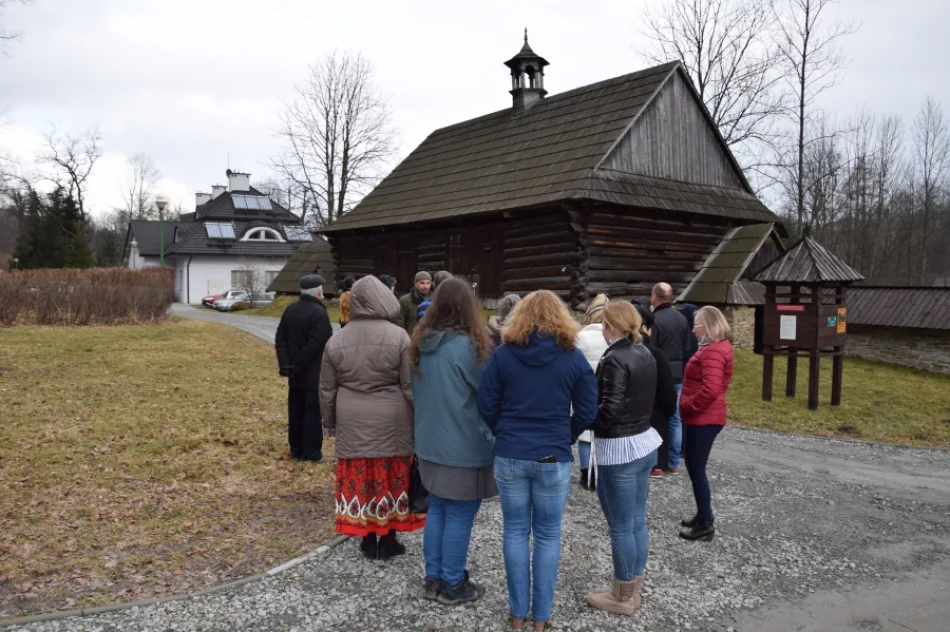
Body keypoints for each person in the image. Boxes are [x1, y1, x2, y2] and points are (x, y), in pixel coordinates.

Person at [477, 290, 598, 631]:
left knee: (515, 531)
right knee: (547, 534)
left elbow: (486, 402)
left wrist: (504, 432)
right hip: (551, 455)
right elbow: (588, 409)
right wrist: (567, 435)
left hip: (511, 453)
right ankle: (541, 617)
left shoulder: (504, 356)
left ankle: (518, 615)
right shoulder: (572, 357)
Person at [319, 275, 425, 559]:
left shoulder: (336, 340)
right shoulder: (399, 336)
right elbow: (408, 386)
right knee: (391, 476)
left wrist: (329, 423)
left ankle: (366, 537)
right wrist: (422, 418)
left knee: (361, 476)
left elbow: (327, 389)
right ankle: (389, 538)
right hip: (393, 420)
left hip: (352, 420)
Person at [410, 278, 496, 605]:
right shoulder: (469, 348)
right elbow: (490, 395)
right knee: (459, 514)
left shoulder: (420, 343)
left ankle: (434, 578)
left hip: (430, 443)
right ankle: (453, 582)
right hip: (463, 445)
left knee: (439, 511)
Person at [585, 301, 659, 615]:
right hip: (644, 442)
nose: (601, 329)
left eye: (603, 324)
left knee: (620, 527)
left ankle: (622, 594)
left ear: (612, 327)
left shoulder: (615, 359)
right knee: (635, 520)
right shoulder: (644, 352)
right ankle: (634, 582)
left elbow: (609, 411)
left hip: (619, 450)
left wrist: (585, 421)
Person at [679, 306, 734, 542]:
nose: (693, 330)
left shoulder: (712, 351)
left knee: (697, 468)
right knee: (694, 466)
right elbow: (718, 385)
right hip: (704, 416)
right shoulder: (715, 347)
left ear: (708, 326)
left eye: (697, 325)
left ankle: (706, 523)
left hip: (704, 418)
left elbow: (711, 389)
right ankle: (703, 515)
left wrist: (688, 405)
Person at [275, 274, 333, 462]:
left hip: (295, 374)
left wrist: (286, 366)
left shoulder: (290, 309)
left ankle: (297, 449)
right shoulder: (319, 314)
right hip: (313, 374)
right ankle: (312, 453)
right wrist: (298, 366)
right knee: (312, 414)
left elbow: (280, 339)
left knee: (296, 411)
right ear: (318, 291)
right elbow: (315, 346)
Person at [650, 282, 691, 473]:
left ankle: (657, 463)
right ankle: (673, 462)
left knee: (656, 417)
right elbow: (687, 347)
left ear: (654, 297)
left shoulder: (655, 320)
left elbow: (651, 349)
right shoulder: (682, 319)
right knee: (675, 418)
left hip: (658, 373)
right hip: (677, 373)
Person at [633, 304, 678, 479]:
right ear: (646, 328)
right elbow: (667, 391)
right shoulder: (658, 355)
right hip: (656, 415)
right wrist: (670, 410)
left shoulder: (617, 353)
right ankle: (656, 465)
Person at [575, 294, 609, 490]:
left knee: (585, 433)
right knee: (603, 430)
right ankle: (600, 470)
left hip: (585, 389)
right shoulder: (613, 335)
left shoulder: (581, 336)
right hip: (608, 388)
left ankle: (585, 472)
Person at [397, 271, 432, 336]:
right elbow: (399, 325)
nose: (425, 286)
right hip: (411, 341)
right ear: (415, 284)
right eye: (422, 283)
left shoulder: (435, 300)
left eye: (428, 283)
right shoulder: (405, 301)